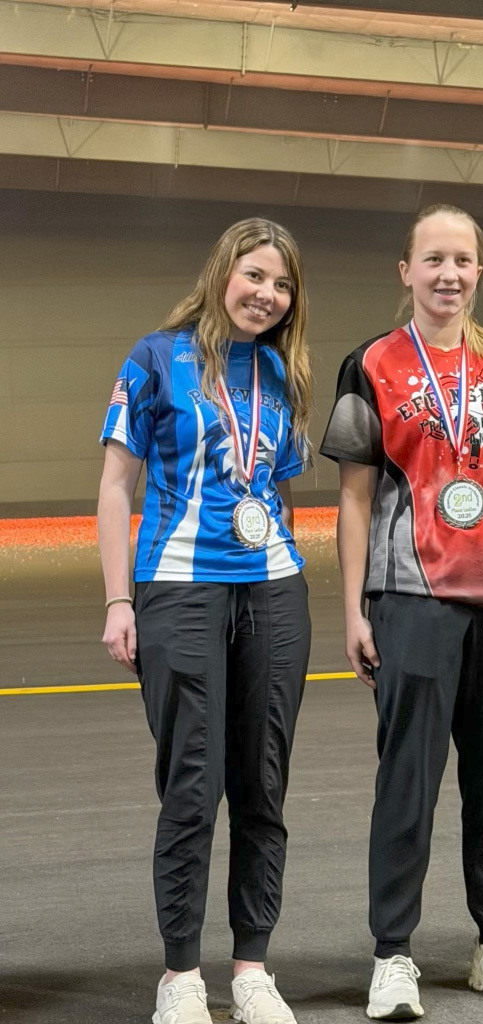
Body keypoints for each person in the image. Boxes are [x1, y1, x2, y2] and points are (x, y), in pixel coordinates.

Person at [320, 203, 483, 1020]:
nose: (448, 274)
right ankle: (393, 956)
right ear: (406, 271)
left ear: (479, 272)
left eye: (462, 260)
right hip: (411, 597)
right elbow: (353, 501)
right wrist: (352, 609)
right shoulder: (371, 363)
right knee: (408, 782)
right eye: (433, 260)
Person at [97, 218, 312, 1024]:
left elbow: (279, 488)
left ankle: (252, 966)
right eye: (255, 275)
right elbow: (118, 485)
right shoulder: (156, 357)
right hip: (178, 589)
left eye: (283, 284)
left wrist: (287, 572)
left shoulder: (283, 372)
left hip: (274, 589)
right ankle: (180, 974)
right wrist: (120, 600)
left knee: (262, 781)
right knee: (192, 785)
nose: (267, 294)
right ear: (223, 272)